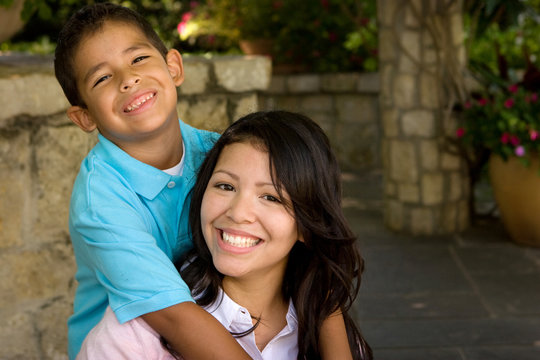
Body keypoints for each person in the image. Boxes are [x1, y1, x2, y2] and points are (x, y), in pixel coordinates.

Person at [78, 110, 373, 359]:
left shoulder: (331, 334)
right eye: (225, 186)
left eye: (271, 197)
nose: (237, 212)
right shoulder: (133, 337)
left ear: (308, 225)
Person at [54, 3, 252, 359]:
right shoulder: (100, 201)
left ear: (173, 67)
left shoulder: (219, 153)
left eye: (139, 59)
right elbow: (174, 319)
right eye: (102, 78)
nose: (128, 79)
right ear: (84, 117)